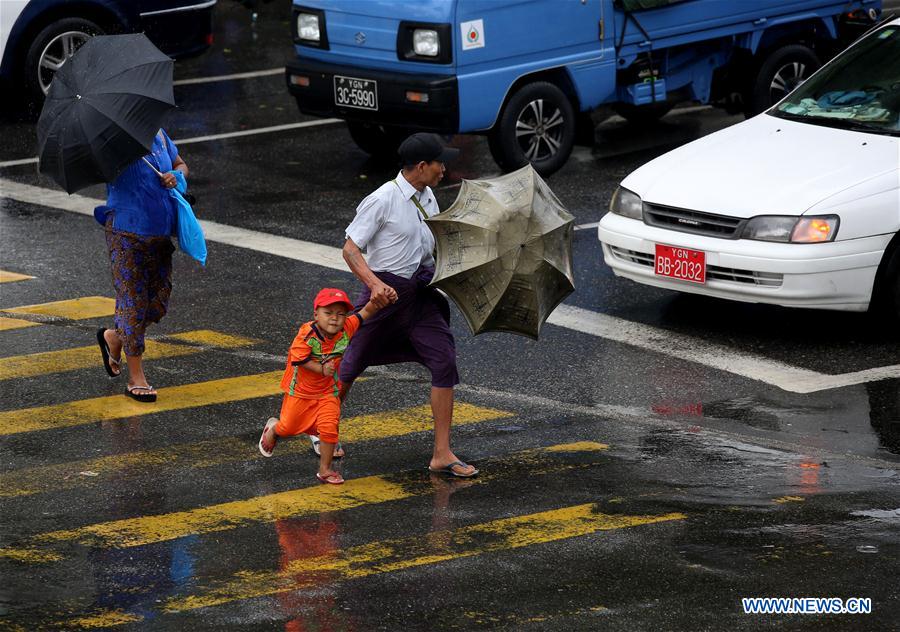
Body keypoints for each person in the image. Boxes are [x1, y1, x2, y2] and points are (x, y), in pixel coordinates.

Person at [338, 132, 478, 478]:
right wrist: (375, 285)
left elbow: (432, 246)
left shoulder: (428, 197)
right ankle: (320, 428)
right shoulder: (382, 199)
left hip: (421, 293)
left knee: (443, 359)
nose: (444, 169)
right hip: (385, 294)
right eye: (439, 163)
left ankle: (441, 453)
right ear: (421, 166)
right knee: (350, 362)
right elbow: (350, 250)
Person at [94, 129, 188, 403]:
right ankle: (137, 377)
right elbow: (102, 171)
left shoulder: (158, 134)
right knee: (133, 302)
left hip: (160, 232)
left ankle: (115, 336)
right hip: (126, 231)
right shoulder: (111, 138)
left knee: (158, 302)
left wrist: (177, 176)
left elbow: (180, 163)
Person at [258, 287, 382, 485]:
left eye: (341, 314)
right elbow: (298, 359)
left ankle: (325, 470)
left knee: (329, 426)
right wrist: (320, 368)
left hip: (327, 391)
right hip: (300, 391)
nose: (335, 318)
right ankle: (273, 429)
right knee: (289, 427)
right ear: (316, 315)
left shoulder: (347, 328)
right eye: (328, 313)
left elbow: (364, 313)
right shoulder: (307, 334)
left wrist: (379, 300)